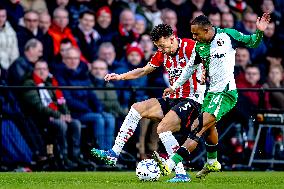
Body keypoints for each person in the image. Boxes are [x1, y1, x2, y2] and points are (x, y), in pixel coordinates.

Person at [156, 13, 270, 178]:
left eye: (196, 34)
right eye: (192, 34)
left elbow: (253, 42)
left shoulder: (228, 35)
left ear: (207, 29)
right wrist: (174, 86)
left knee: (198, 126)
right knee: (209, 128)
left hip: (226, 93)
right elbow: (189, 68)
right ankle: (213, 163)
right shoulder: (199, 46)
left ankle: (169, 165)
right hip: (211, 93)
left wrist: (259, 32)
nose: (193, 37)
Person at [91, 24, 209, 183]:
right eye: (158, 46)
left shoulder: (191, 47)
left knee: (163, 129)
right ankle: (114, 153)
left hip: (193, 101)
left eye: (162, 45)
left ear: (172, 38)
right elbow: (143, 70)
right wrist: (120, 77)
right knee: (136, 109)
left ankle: (181, 173)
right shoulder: (162, 53)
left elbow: (211, 58)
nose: (161, 49)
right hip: (173, 99)